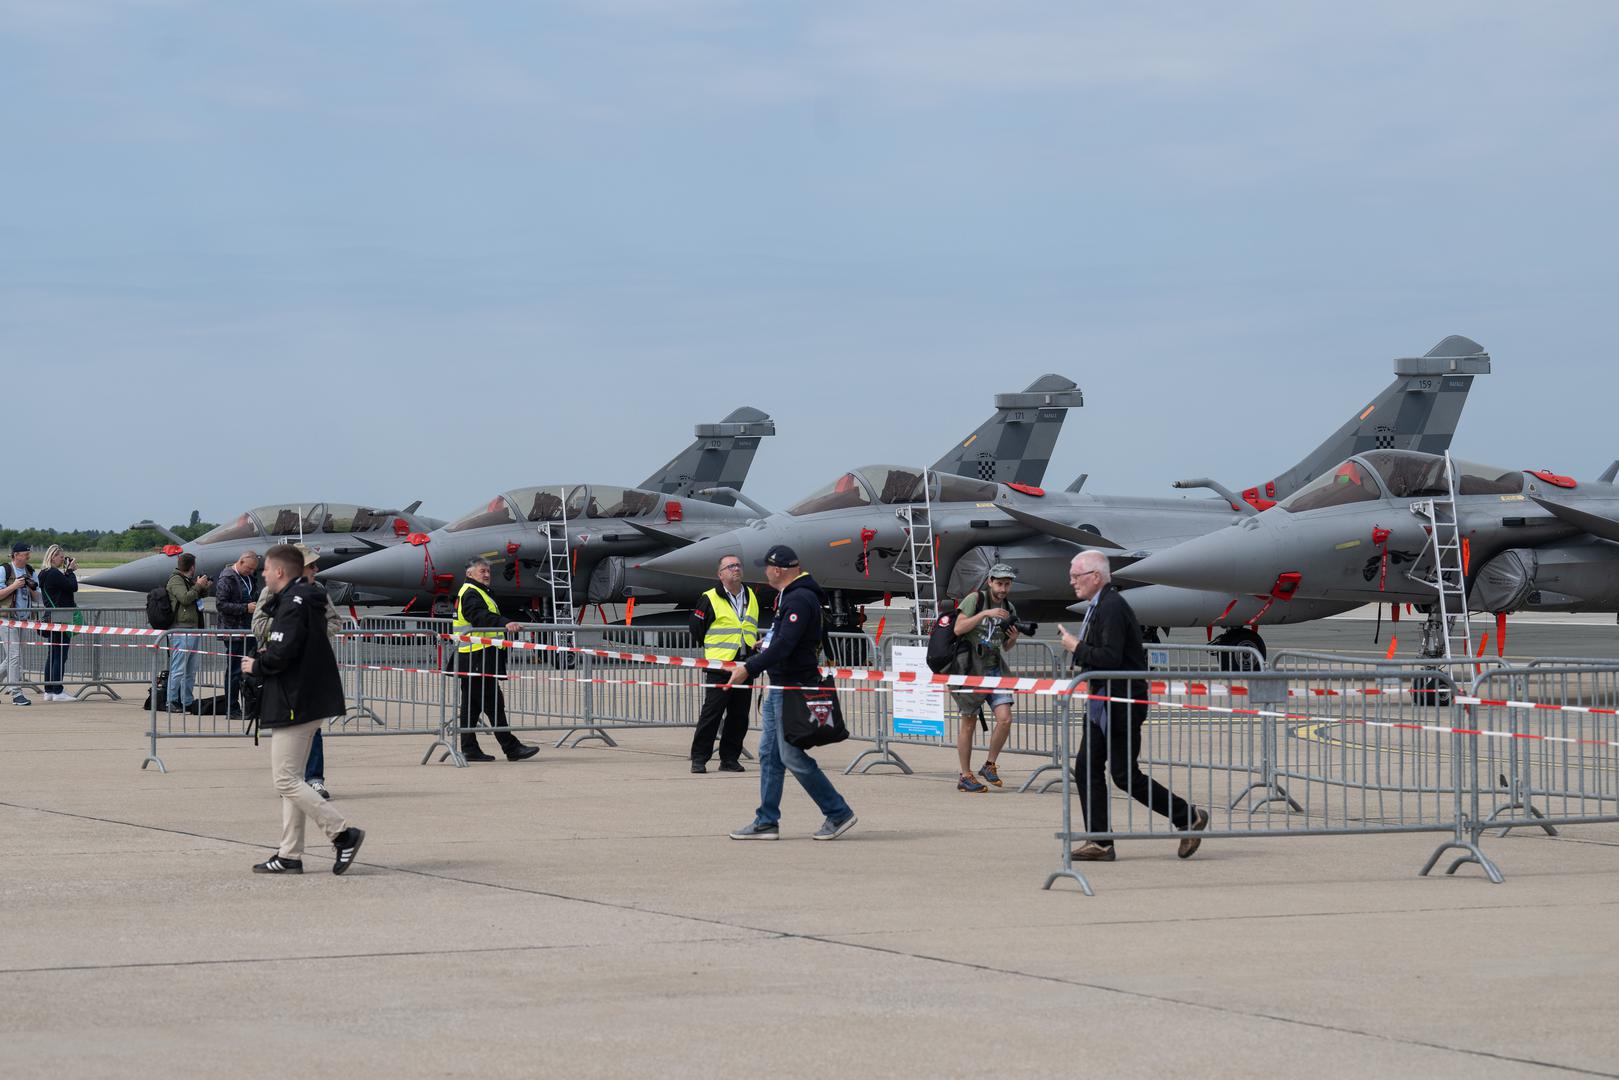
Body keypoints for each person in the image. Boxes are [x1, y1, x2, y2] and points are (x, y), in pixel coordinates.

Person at [1058, 550, 1206, 861]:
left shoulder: (1111, 607)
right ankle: (1100, 841)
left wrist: (1077, 647)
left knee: (1124, 775)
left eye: (1077, 576)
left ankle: (1187, 816)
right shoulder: (1099, 605)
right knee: (1086, 768)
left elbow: (1110, 657)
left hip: (1122, 702)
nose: (1072, 581)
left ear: (1096, 577)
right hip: (1103, 701)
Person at [242, 544, 365, 875]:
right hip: (304, 697)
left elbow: (283, 652)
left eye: (266, 569)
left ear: (280, 571)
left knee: (284, 780)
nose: (263, 574)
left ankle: (342, 833)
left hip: (295, 699)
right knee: (293, 780)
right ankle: (289, 853)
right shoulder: (302, 600)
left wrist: (256, 665)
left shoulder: (294, 604)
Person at [725, 545, 856, 841]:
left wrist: (749, 668)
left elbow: (787, 646)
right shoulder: (790, 597)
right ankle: (766, 821)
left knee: (792, 757)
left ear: (779, 569)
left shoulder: (799, 598)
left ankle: (837, 811)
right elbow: (782, 639)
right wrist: (766, 646)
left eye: (768, 567)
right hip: (780, 686)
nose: (765, 572)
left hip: (792, 688)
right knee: (769, 755)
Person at [253, 545, 342, 797]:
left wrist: (312, 634)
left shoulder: (318, 592)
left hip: (312, 668)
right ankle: (291, 780)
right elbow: (258, 625)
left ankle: (315, 778)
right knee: (286, 727)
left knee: (312, 725)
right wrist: (290, 628)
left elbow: (335, 621)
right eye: (311, 565)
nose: (316, 569)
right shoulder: (271, 591)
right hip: (282, 667)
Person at [451, 558, 540, 763]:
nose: (487, 574)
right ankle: (511, 747)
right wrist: (505, 623)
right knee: (492, 702)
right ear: (470, 574)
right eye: (482, 571)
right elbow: (479, 617)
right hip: (477, 655)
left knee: (472, 705)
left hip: (477, 655)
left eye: (488, 571)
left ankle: (469, 748)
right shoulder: (471, 593)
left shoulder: (477, 591)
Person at [950, 563, 1022, 792]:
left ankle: (989, 765)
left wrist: (1014, 637)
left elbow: (1006, 646)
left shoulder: (1009, 607)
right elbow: (958, 629)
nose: (1003, 589)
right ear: (990, 581)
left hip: (994, 668)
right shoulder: (975, 600)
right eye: (999, 583)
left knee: (1005, 718)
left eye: (1007, 584)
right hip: (970, 668)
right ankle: (965, 775)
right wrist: (985, 613)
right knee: (968, 721)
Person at [688, 554, 757, 773]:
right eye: (730, 566)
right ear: (721, 574)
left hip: (745, 665)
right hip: (720, 665)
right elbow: (696, 630)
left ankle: (729, 759)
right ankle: (699, 758)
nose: (736, 569)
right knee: (712, 713)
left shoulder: (751, 594)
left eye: (738, 565)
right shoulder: (709, 597)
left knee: (739, 716)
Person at [214, 550, 259, 719]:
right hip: (234, 631)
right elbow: (221, 605)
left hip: (248, 630)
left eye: (253, 569)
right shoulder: (227, 578)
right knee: (234, 671)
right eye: (248, 568)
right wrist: (245, 608)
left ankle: (250, 707)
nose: (251, 572)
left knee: (248, 670)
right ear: (240, 562)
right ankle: (231, 708)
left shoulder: (249, 578)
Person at [165, 552, 212, 712]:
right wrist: (198, 585)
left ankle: (187, 700)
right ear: (192, 567)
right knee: (178, 667)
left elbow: (195, 596)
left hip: (193, 627)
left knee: (191, 669)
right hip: (181, 628)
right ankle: (171, 701)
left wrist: (203, 587)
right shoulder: (176, 580)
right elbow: (185, 598)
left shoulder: (187, 580)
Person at [37, 545, 79, 701]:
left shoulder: (44, 573)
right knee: (60, 654)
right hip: (61, 617)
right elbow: (72, 587)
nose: (63, 560)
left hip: (51, 616)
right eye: (61, 557)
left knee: (53, 654)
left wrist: (66, 572)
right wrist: (70, 571)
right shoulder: (54, 573)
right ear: (53, 556)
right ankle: (57, 691)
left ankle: (49, 690)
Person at [1, 542, 40, 706]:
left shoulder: (30, 571)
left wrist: (30, 587)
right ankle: (17, 693)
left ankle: (15, 689)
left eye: (28, 554)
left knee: (12, 657)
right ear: (15, 555)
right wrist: (15, 585)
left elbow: (38, 597)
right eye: (25, 553)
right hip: (6, 619)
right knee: (15, 656)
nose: (28, 556)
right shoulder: (4, 570)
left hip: (24, 620)